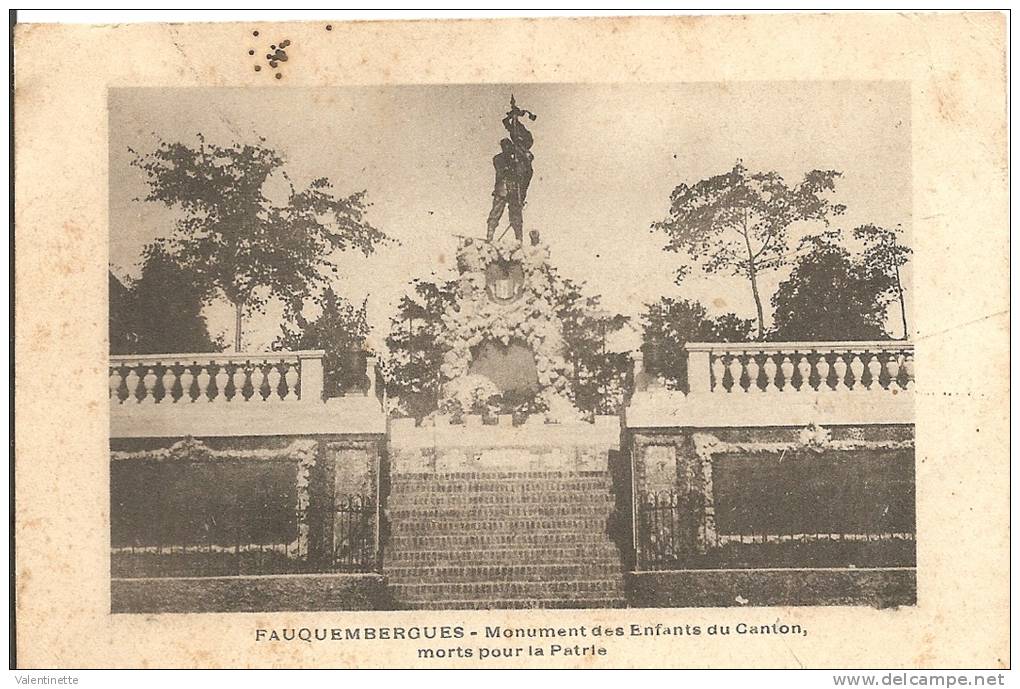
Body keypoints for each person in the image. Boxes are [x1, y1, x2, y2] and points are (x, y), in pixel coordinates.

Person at [485, 102, 535, 242]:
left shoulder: (521, 159)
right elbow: (500, 169)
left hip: (515, 188)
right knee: (496, 212)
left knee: (516, 215)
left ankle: (519, 239)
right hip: (503, 187)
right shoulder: (499, 158)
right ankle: (490, 235)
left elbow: (527, 174)